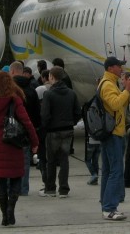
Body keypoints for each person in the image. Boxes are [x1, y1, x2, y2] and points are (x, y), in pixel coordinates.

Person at [0, 70, 39, 226]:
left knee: (0, 181)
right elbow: (27, 122)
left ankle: (4, 215)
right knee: (16, 177)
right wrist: (35, 141)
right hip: (13, 143)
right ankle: (11, 210)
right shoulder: (15, 100)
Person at [99, 56, 130, 221]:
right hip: (113, 133)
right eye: (119, 66)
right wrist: (127, 90)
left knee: (108, 170)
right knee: (115, 171)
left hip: (114, 132)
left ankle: (106, 203)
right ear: (111, 68)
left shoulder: (111, 83)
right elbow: (115, 104)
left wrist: (125, 89)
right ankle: (109, 208)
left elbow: (118, 105)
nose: (121, 69)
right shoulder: (107, 85)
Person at [40, 66, 80, 198]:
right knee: (64, 160)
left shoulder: (49, 94)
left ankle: (50, 188)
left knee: (51, 160)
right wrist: (71, 122)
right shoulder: (71, 93)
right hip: (67, 129)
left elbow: (45, 115)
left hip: (53, 130)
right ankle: (64, 189)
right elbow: (77, 112)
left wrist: (46, 126)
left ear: (51, 77)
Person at [12, 61, 41, 196]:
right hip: (27, 130)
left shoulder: (9, 90)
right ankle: (23, 188)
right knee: (25, 161)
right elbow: (36, 113)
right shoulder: (31, 90)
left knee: (9, 161)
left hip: (10, 130)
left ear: (12, 72)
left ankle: (10, 188)